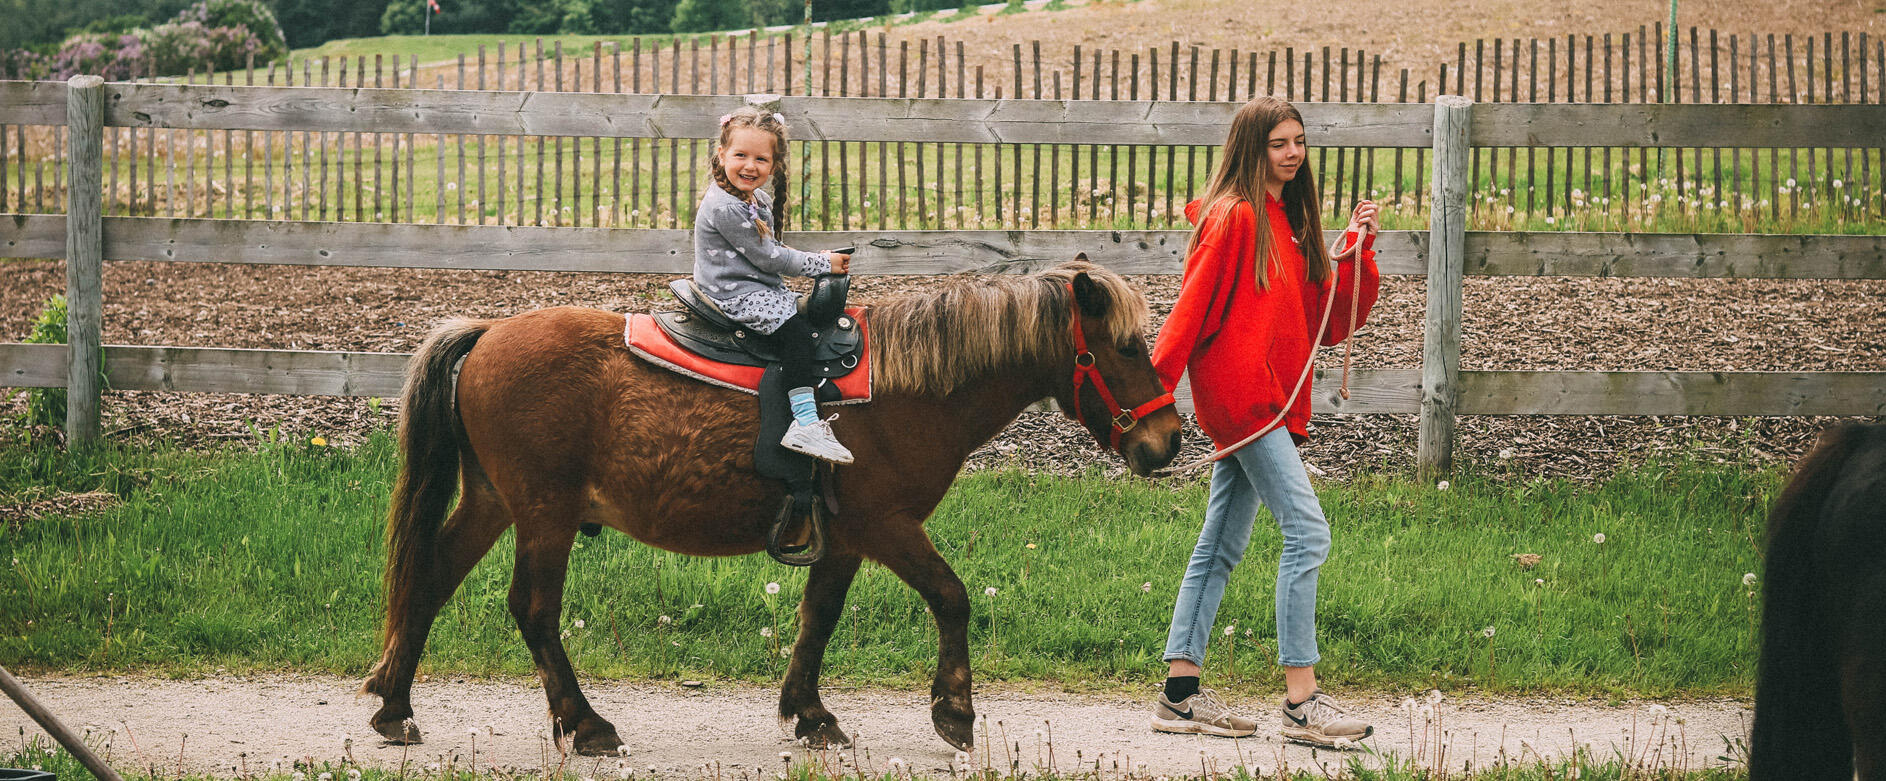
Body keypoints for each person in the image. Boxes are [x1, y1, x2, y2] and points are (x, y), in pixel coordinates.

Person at [1147, 96, 1381, 747]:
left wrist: (1357, 253)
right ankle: (1303, 703)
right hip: (1249, 406)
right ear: (1253, 147)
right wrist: (1148, 400)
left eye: (1300, 140)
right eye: (1280, 142)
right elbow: (1188, 316)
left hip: (1268, 402)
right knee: (1309, 531)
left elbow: (1328, 323)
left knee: (1221, 542)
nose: (1293, 152)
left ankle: (1179, 694)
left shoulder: (1288, 223)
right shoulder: (1234, 219)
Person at [693, 106, 854, 464]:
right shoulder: (726, 208)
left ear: (774, 164)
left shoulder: (752, 199)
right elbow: (771, 259)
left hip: (753, 284)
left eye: (761, 159)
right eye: (740, 155)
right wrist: (822, 263)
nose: (750, 166)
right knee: (795, 334)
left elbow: (771, 254)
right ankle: (805, 423)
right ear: (722, 155)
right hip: (733, 293)